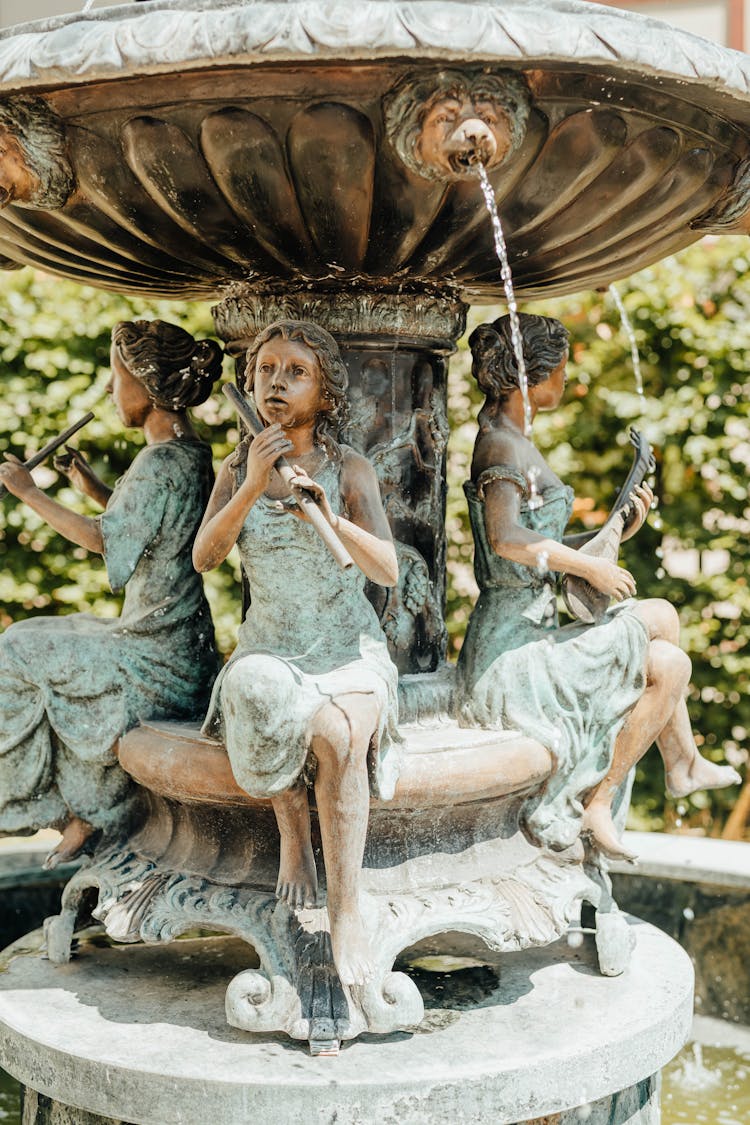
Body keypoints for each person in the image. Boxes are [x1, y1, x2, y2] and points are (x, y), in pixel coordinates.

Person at [456, 312, 740, 861]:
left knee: (671, 661)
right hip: (511, 652)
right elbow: (506, 538)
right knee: (662, 623)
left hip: (532, 632)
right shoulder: (501, 447)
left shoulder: (510, 438)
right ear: (530, 377)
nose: (565, 380)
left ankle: (646, 779)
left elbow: (537, 545)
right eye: (560, 370)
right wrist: (591, 569)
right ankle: (648, 778)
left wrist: (614, 532)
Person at [194, 319, 400, 987]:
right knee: (256, 691)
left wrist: (330, 513)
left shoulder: (351, 469)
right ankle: (291, 836)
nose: (275, 382)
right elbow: (205, 557)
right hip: (273, 646)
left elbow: (389, 570)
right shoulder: (237, 468)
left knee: (340, 731)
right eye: (265, 370)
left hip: (346, 647)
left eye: (295, 372)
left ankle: (346, 910)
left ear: (326, 394)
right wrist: (253, 482)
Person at [0, 319, 222, 867]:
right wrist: (93, 487)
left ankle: (69, 806)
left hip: (152, 649)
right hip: (178, 636)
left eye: (114, 377)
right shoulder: (190, 451)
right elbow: (149, 532)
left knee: (15, 652)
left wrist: (27, 493)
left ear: (146, 385)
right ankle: (81, 807)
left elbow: (105, 539)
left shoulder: (157, 462)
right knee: (31, 637)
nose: (107, 391)